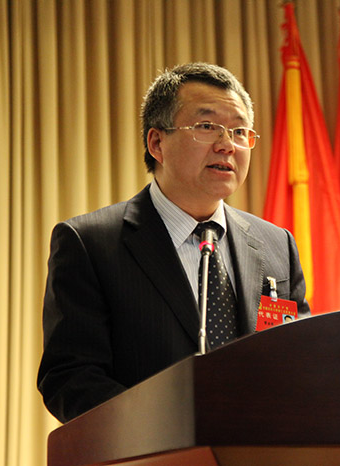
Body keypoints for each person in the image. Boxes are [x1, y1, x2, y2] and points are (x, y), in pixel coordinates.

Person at [37, 63, 310, 423]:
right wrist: (169, 428)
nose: (227, 145)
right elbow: (71, 378)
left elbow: (297, 361)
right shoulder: (91, 244)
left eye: (240, 131)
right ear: (157, 143)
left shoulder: (277, 245)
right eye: (207, 126)